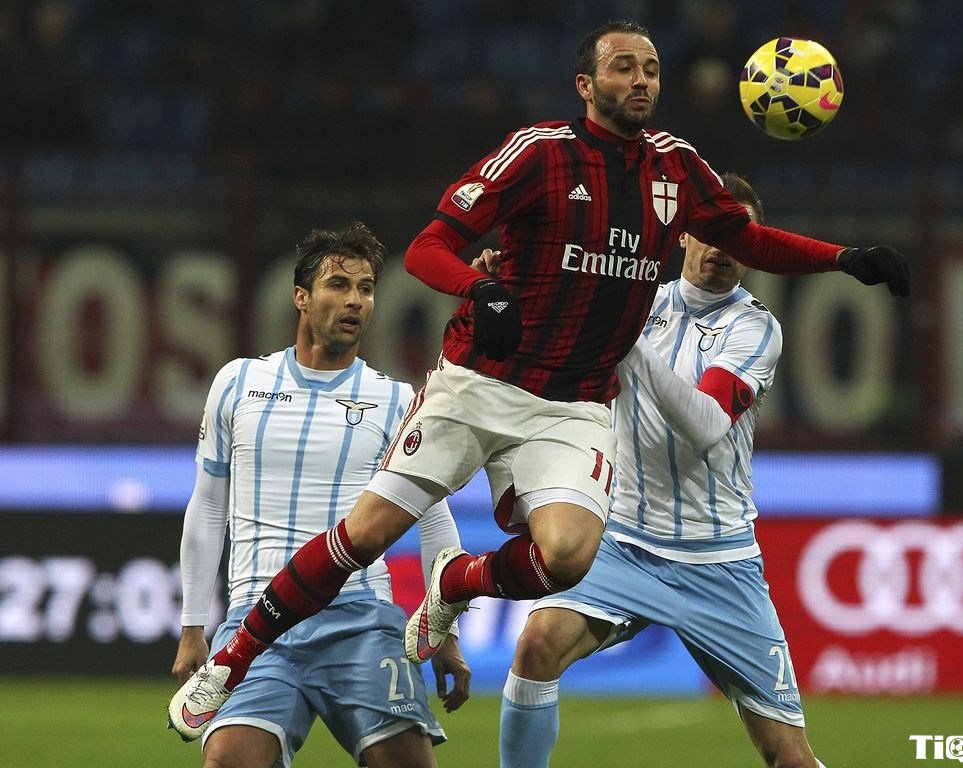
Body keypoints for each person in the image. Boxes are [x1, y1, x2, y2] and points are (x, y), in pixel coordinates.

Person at [170, 19, 910, 738]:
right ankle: (233, 662)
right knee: (364, 536)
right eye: (624, 67)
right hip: (480, 382)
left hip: (574, 401)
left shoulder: (677, 167)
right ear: (586, 84)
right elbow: (429, 247)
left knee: (568, 557)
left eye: (652, 70)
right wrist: (479, 288)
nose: (642, 81)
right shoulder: (538, 154)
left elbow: (748, 239)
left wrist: (845, 259)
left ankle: (455, 582)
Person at [498, 173, 825, 768]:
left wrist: (627, 340)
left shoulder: (755, 328)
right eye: (713, 231)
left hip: (718, 560)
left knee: (789, 756)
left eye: (741, 237)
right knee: (536, 648)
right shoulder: (641, 301)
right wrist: (503, 283)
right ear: (683, 234)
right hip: (621, 539)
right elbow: (544, 325)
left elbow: (705, 424)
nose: (723, 247)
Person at [167, 223, 472, 765]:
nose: (355, 300)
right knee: (228, 761)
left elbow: (432, 519)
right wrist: (194, 627)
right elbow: (209, 506)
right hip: (257, 622)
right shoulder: (237, 383)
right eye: (338, 284)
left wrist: (444, 631)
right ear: (301, 297)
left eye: (366, 288)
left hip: (360, 617)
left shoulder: (397, 400)